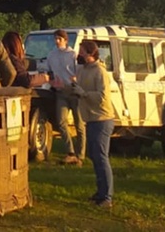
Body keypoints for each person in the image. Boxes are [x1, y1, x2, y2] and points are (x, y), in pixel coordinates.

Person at [72, 40, 115, 208]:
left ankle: (107, 197)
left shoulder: (100, 72)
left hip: (102, 120)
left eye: (82, 52)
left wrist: (84, 94)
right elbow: (78, 88)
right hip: (89, 119)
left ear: (91, 54)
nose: (79, 55)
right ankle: (100, 193)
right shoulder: (82, 70)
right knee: (95, 157)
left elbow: (103, 97)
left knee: (102, 157)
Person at [47, 29, 86, 165]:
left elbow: (80, 71)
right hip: (61, 91)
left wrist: (76, 80)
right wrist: (52, 81)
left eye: (59, 39)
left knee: (79, 124)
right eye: (55, 39)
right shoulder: (51, 55)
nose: (57, 41)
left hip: (73, 90)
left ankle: (81, 154)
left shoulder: (72, 54)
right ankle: (70, 152)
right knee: (62, 122)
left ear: (65, 40)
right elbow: (49, 72)